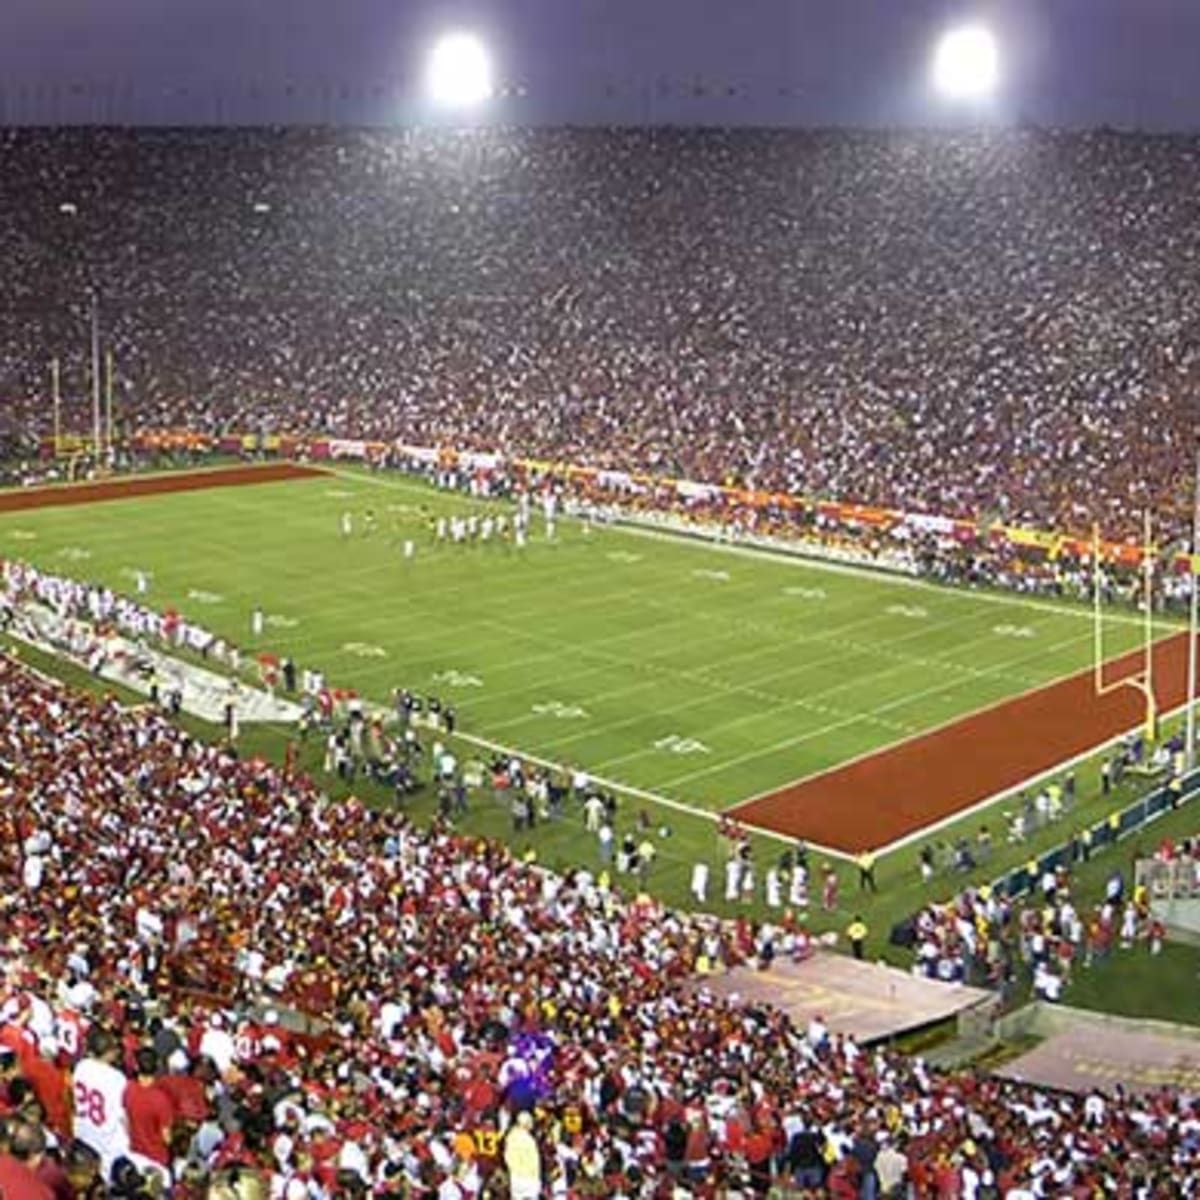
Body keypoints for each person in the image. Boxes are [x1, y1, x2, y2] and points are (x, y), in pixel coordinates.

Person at [72, 1028, 131, 1181]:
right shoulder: (117, 1078)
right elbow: (123, 1116)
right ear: (109, 1052)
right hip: (107, 1141)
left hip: (84, 1131)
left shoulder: (81, 1066)